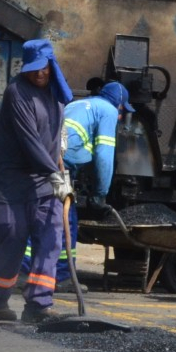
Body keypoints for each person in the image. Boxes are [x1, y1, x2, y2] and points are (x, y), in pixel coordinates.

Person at [0, 38, 72, 324]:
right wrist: (55, 175)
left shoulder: (57, 94)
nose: (39, 73)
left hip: (45, 180)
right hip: (12, 182)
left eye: (43, 68)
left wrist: (62, 169)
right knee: (12, 235)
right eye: (33, 69)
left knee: (50, 237)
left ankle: (39, 303)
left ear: (51, 64)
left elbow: (56, 136)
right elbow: (30, 142)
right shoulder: (17, 93)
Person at [53, 79, 129, 283]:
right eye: (123, 111)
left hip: (49, 162)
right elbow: (104, 156)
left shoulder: (79, 104)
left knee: (46, 215)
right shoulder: (109, 111)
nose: (121, 116)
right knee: (67, 220)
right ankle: (62, 277)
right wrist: (100, 195)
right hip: (62, 166)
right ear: (119, 105)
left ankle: (28, 270)